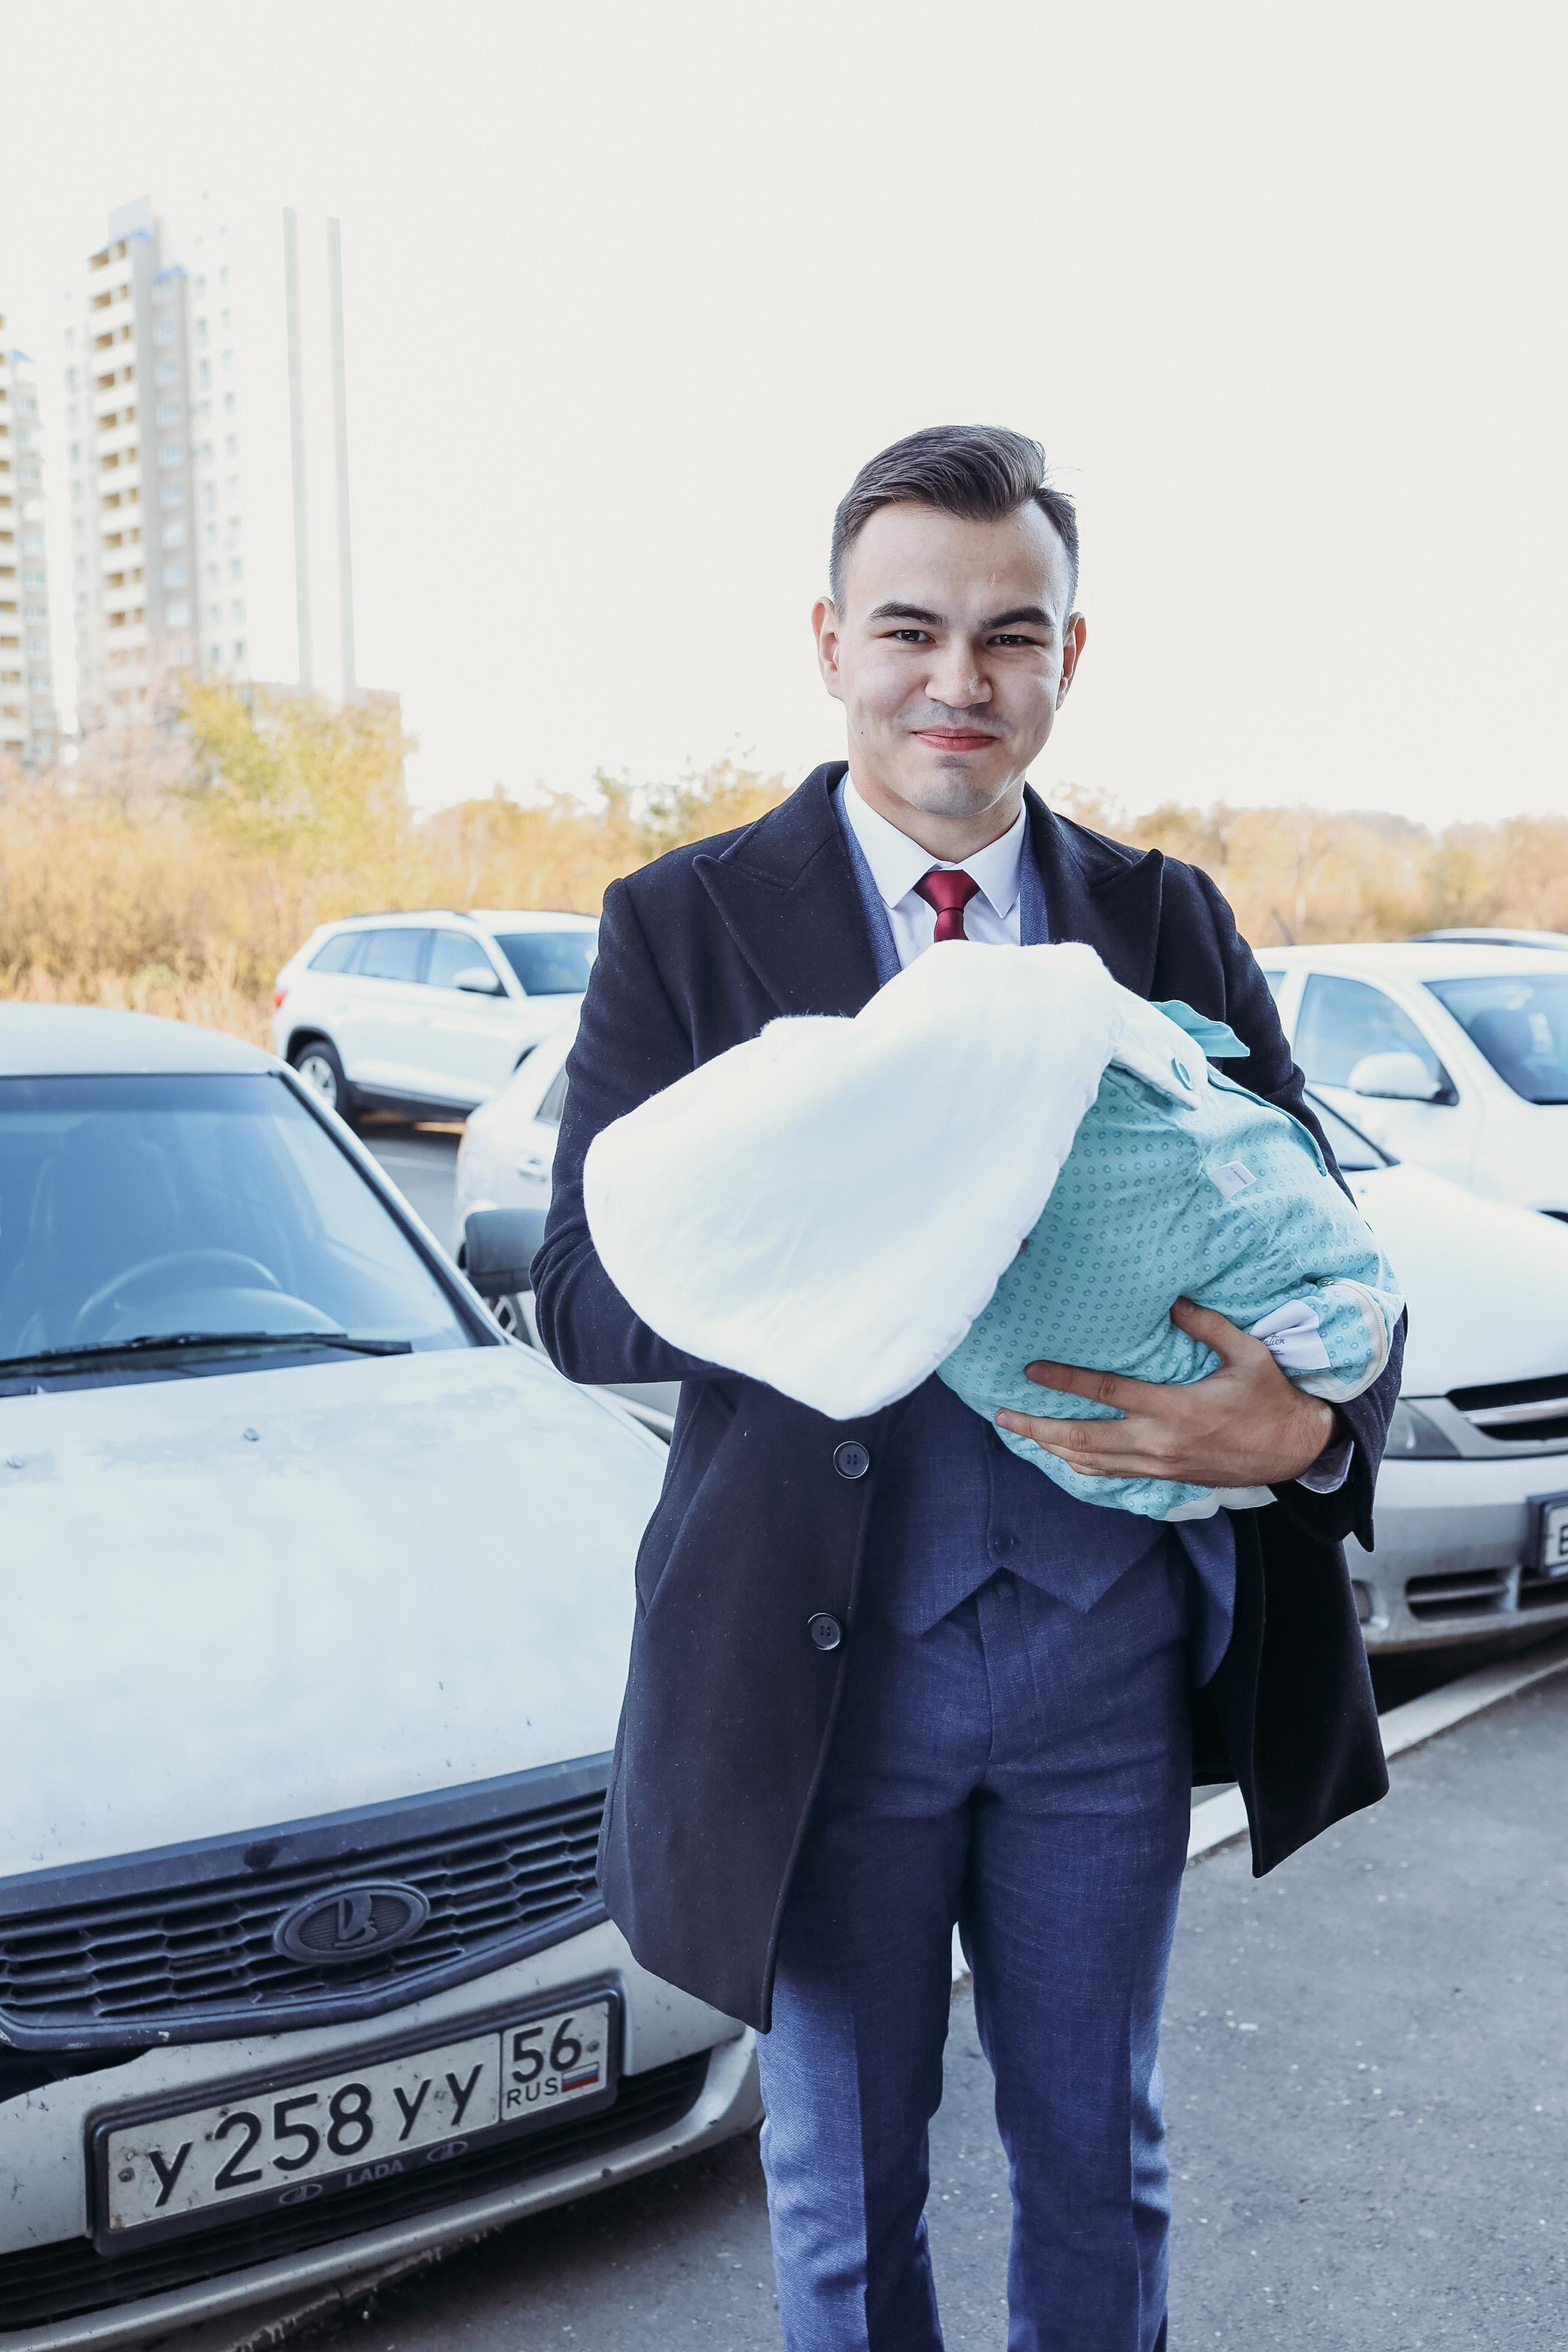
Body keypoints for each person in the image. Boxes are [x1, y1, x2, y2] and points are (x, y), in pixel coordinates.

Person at [532, 424, 1402, 2352]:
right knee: (844, 2202)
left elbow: (1322, 1242)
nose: (957, 681)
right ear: (828, 640)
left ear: (1068, 661)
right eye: (910, 628)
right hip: (823, 1681)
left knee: (1100, 2161)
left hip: (1101, 1671)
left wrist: (1314, 1430)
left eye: (1011, 637)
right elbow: (581, 1298)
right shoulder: (682, 923)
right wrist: (867, 1219)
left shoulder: (1158, 915)